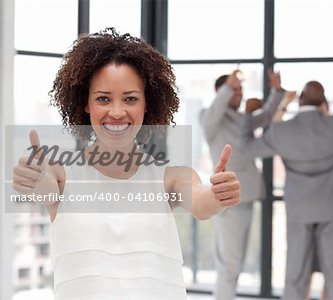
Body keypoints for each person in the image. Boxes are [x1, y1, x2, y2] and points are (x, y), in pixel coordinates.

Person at [12, 28, 241, 300]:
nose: (117, 112)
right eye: (103, 99)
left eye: (130, 98)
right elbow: (44, 188)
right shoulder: (61, 173)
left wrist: (218, 195)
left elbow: (201, 204)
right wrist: (33, 179)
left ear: (147, 104)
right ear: (85, 104)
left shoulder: (171, 177)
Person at [240, 74, 333, 300]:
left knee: (295, 274)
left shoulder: (282, 131)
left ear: (300, 101)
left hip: (299, 209)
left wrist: (247, 115)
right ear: (323, 102)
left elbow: (246, 149)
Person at [200, 69, 284, 300]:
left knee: (233, 263)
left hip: (245, 198)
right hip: (228, 201)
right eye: (234, 90)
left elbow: (265, 116)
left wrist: (276, 91)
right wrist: (229, 85)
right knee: (229, 264)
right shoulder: (210, 117)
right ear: (221, 91)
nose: (239, 94)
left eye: (240, 90)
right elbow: (215, 111)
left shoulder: (241, 118)